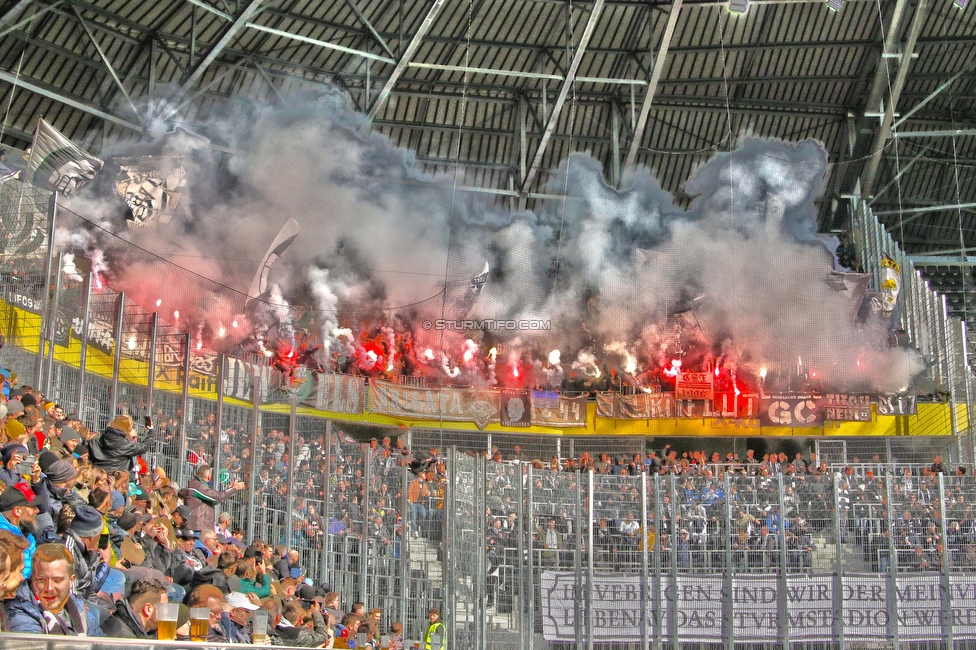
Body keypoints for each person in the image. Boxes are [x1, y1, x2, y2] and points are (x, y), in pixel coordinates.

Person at [4, 543, 104, 635]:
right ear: (31, 579)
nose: (49, 588)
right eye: (41, 580)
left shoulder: (78, 607)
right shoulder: (20, 610)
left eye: (57, 580)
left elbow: (102, 644)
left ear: (71, 581)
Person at [179, 465, 244, 533]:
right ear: (209, 476)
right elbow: (217, 498)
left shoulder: (198, 485)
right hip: (197, 528)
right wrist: (234, 489)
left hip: (201, 528)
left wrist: (229, 489)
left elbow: (214, 501)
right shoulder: (198, 486)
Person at [101, 577, 168, 638]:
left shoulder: (142, 628)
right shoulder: (123, 639)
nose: (168, 613)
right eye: (164, 608)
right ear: (148, 610)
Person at [0, 483, 41, 578]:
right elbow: (16, 578)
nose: (37, 510)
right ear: (17, 511)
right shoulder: (4, 539)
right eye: (32, 506)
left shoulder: (24, 529)